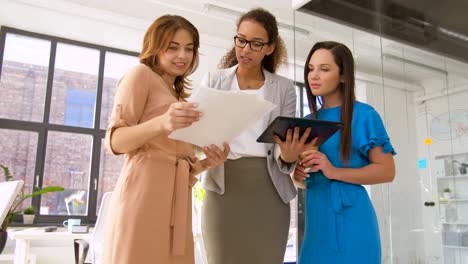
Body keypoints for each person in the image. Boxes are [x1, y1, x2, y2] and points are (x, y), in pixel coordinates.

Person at [103, 15, 230, 264]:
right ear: (155, 46)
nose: (182, 55)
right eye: (173, 47)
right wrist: (162, 122)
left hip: (177, 202)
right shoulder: (140, 75)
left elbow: (180, 164)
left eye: (189, 49)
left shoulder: (179, 98)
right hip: (143, 195)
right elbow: (115, 141)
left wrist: (206, 164)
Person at [200, 8, 311, 264]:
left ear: (269, 48)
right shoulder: (214, 81)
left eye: (255, 43)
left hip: (269, 189)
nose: (245, 49)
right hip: (223, 186)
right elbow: (200, 136)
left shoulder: (284, 89)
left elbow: (284, 156)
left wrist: (290, 156)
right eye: (240, 40)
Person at [293, 41, 396, 264]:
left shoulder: (364, 115)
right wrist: (298, 175)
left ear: (343, 76)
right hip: (316, 216)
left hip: (352, 216)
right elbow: (305, 180)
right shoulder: (309, 121)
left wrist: (333, 171)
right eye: (310, 68)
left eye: (324, 69)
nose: (314, 76)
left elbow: (386, 171)